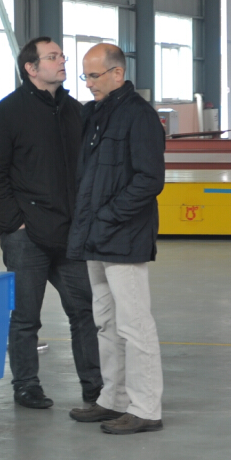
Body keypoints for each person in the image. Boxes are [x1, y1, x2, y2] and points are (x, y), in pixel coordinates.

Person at [0, 37, 102, 410]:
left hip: (71, 234)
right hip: (27, 236)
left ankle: (95, 387)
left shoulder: (76, 112)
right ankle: (26, 385)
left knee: (85, 311)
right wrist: (15, 223)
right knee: (26, 317)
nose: (62, 61)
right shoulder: (4, 114)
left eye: (62, 55)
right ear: (31, 68)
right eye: (52, 57)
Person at [66, 42, 166, 435]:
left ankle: (146, 408)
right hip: (96, 236)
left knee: (134, 325)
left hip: (123, 237)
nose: (88, 83)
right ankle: (114, 399)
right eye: (85, 76)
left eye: (94, 75)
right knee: (105, 322)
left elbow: (149, 180)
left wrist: (108, 216)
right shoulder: (95, 114)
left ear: (117, 74)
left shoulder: (139, 116)